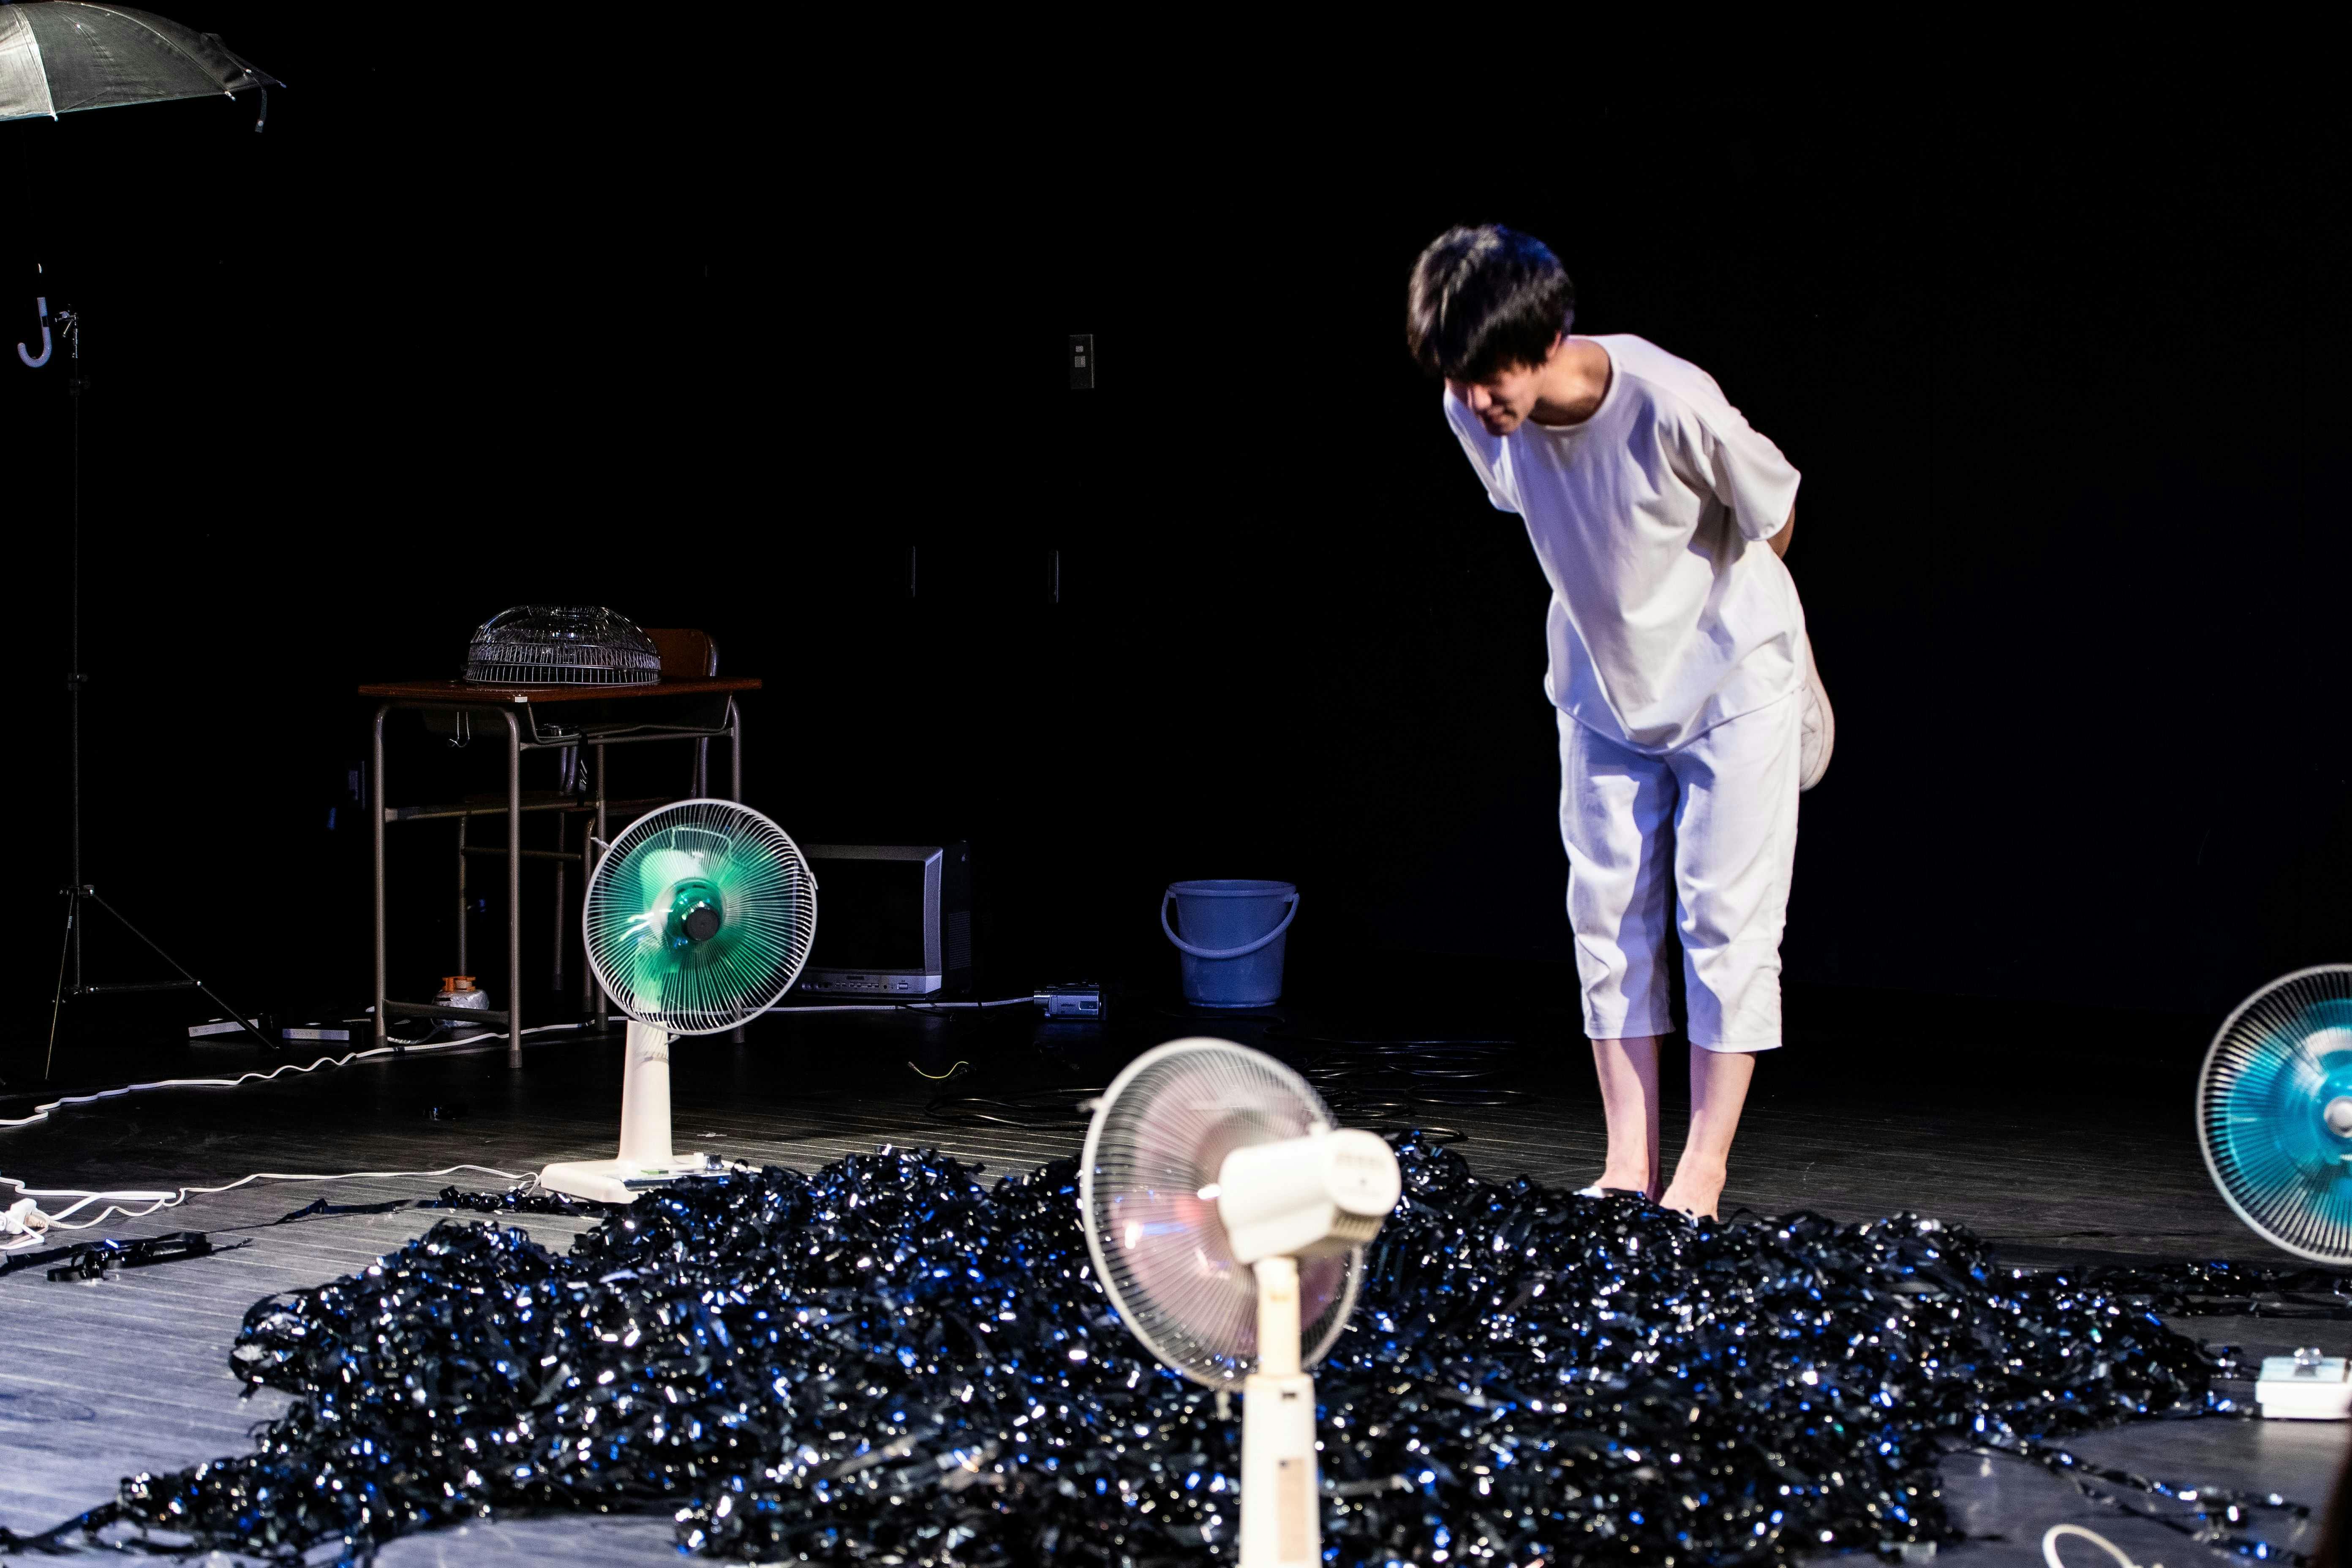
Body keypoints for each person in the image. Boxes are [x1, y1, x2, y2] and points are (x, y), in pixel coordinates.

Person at [1404, 223, 1827, 1220]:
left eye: (1490, 374)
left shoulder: (1666, 399)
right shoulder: (1474, 410)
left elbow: (1775, 514)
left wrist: (1707, 617)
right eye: (1458, 377)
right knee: (1606, 918)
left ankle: (1700, 1176)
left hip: (1731, 676)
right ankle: (1627, 1165)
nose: (1475, 398)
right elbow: (1543, 505)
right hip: (1600, 680)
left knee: (1724, 919)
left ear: (1548, 338)